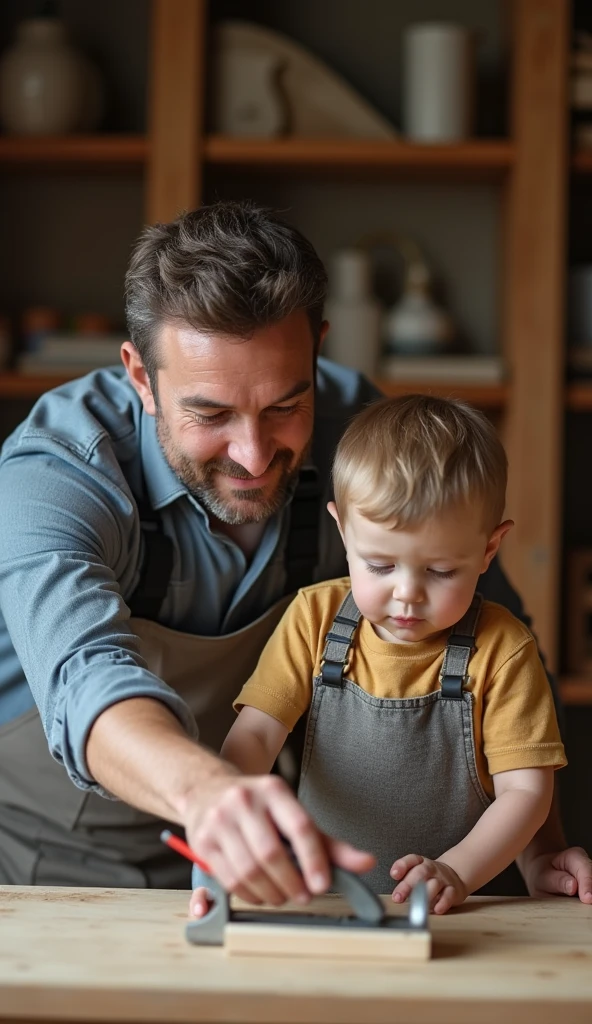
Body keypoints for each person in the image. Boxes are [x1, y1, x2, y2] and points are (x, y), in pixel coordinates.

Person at [0, 201, 589, 904]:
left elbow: (496, 639)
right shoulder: (54, 474)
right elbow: (84, 675)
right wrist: (212, 795)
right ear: (139, 376)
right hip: (51, 864)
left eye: (285, 405)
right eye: (211, 414)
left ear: (318, 349)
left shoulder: (364, 437)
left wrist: (538, 850)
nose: (252, 456)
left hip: (279, 865)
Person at [191, 395, 565, 914]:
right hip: (323, 903)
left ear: (488, 549)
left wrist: (456, 871)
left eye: (440, 571)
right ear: (343, 531)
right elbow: (256, 735)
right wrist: (225, 824)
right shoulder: (313, 620)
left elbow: (525, 795)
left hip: (459, 909)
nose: (407, 593)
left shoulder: (503, 651)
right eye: (381, 566)